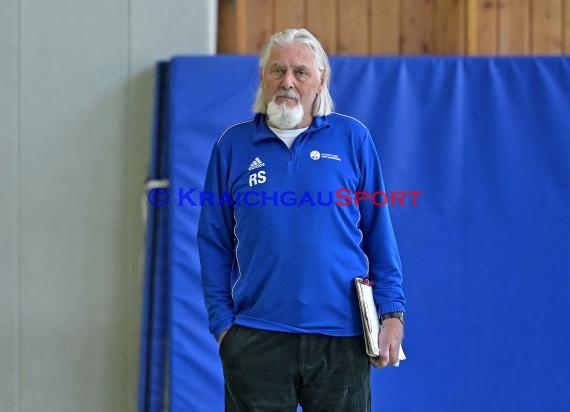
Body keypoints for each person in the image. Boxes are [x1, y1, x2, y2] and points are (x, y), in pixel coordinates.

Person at [197, 28, 405, 411]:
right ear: (262, 77)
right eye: (277, 70)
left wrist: (391, 314)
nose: (287, 82)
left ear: (321, 79)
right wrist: (223, 326)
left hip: (342, 339)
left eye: (300, 72)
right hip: (257, 337)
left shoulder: (353, 139)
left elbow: (380, 233)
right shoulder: (232, 146)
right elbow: (213, 241)